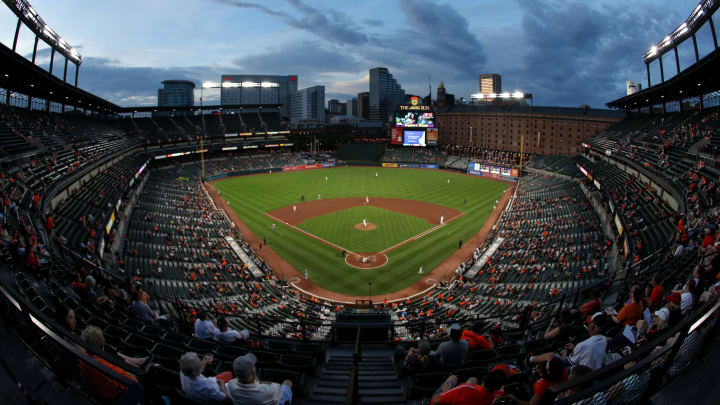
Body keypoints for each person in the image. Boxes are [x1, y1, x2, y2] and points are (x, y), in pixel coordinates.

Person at [531, 313, 609, 370]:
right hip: (592, 372)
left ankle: (530, 359)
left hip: (579, 375)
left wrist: (564, 353)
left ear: (592, 326)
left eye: (589, 323)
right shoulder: (603, 339)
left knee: (552, 355)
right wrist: (575, 348)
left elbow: (565, 363)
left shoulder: (583, 345)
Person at [78, 326, 138, 400]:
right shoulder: (108, 367)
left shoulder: (82, 359)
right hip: (112, 395)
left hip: (97, 391)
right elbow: (134, 383)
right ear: (102, 341)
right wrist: (130, 375)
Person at [226, 353, 293, 405]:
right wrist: (261, 382)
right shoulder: (269, 390)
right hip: (274, 397)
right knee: (287, 383)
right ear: (253, 372)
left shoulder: (230, 384)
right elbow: (278, 388)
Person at [430, 368, 507, 405]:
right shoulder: (496, 397)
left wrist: (445, 391)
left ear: (484, 378)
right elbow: (501, 389)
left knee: (453, 377)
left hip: (458, 395)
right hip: (476, 395)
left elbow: (434, 402)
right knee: (473, 379)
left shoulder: (465, 389)